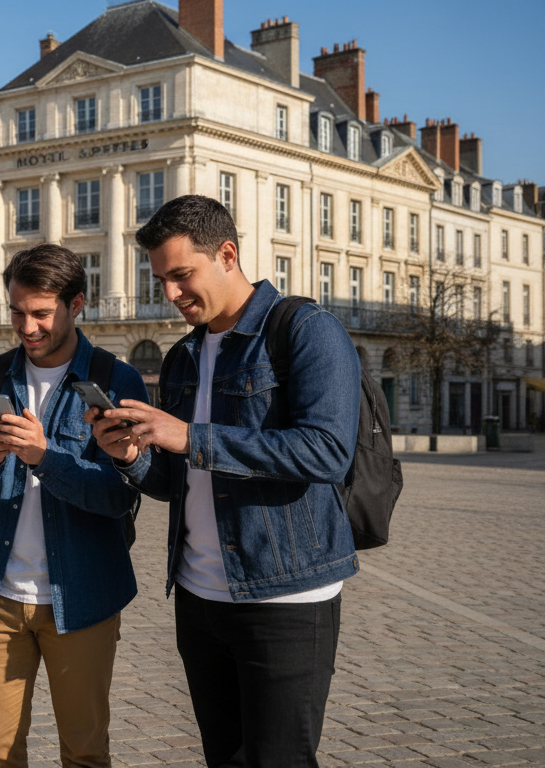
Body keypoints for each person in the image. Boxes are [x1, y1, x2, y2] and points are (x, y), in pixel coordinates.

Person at [90, 195, 361, 767]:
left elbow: (327, 451)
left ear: (228, 254)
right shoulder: (183, 357)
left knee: (279, 759)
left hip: (285, 592)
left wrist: (189, 435)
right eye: (160, 278)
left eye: (182, 275)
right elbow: (176, 481)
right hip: (198, 595)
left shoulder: (308, 330)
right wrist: (131, 456)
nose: (170, 293)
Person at [0, 243, 146, 768]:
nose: (27, 326)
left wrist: (44, 457)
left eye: (41, 313)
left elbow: (118, 496)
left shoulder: (113, 380)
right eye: (17, 312)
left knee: (84, 753)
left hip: (82, 597)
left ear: (76, 305)